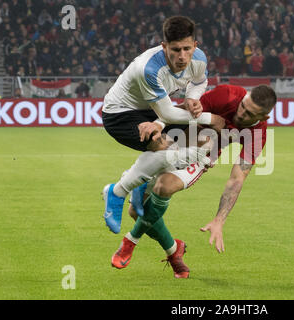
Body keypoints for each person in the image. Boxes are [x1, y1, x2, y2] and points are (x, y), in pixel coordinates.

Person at [110, 84, 277, 278]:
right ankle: (174, 250)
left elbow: (237, 178)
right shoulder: (227, 94)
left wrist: (219, 220)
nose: (241, 114)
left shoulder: (258, 135)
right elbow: (185, 109)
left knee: (164, 186)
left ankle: (130, 241)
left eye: (249, 114)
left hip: (201, 157)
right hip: (174, 143)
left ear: (263, 118)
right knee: (136, 212)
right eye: (243, 106)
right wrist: (158, 124)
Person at [101, 16, 225, 236]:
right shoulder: (148, 68)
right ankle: (116, 192)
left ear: (195, 46)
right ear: (164, 46)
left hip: (150, 109)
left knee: (180, 147)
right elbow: (167, 113)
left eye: (187, 49)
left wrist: (192, 98)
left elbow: (199, 82)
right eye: (175, 50)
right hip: (120, 113)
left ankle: (141, 184)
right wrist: (209, 118)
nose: (182, 56)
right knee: (165, 147)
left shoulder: (199, 59)